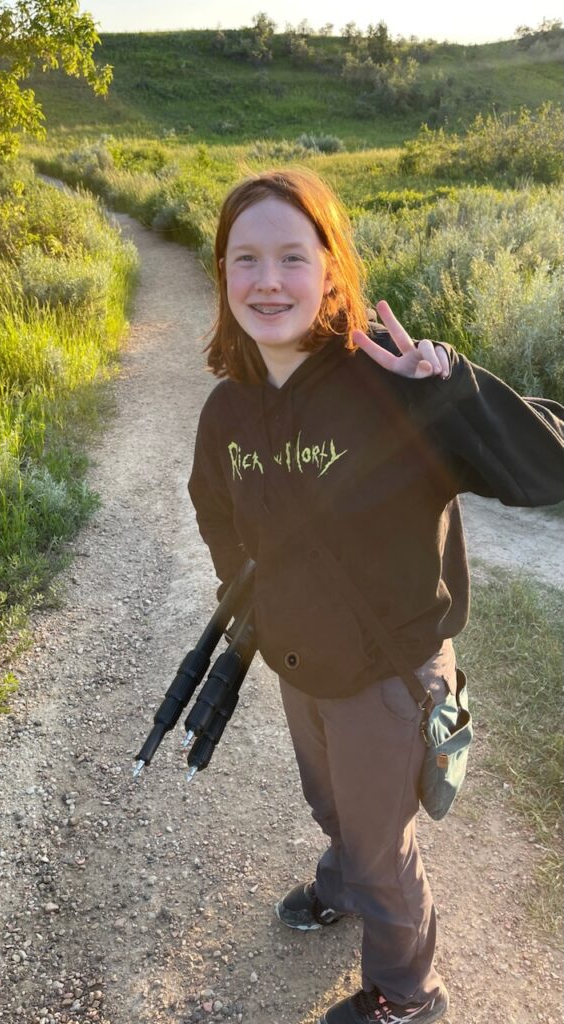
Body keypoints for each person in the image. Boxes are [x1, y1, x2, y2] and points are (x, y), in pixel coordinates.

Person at [187, 168, 564, 1024]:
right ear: (223, 276)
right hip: (297, 662)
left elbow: (548, 466)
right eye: (245, 259)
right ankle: (341, 880)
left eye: (292, 254)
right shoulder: (226, 412)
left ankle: (406, 994)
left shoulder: (392, 386)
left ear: (330, 268)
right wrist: (252, 600)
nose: (268, 280)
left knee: (383, 846)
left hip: (388, 675)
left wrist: (450, 386)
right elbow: (214, 511)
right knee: (333, 807)